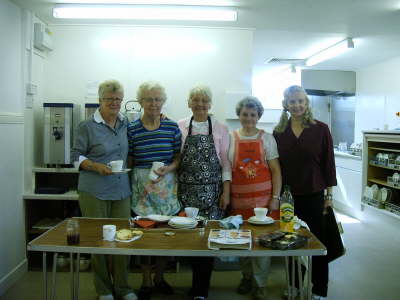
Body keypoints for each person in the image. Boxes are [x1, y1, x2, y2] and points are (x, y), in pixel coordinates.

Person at [71, 80, 136, 300]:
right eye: (110, 98)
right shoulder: (86, 126)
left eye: (118, 98)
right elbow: (75, 157)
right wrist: (95, 166)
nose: (115, 102)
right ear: (100, 100)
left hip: (121, 190)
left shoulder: (126, 123)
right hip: (94, 190)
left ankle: (123, 287)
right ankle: (103, 289)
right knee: (98, 238)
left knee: (123, 238)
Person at [273, 85, 337, 300]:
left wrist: (329, 197)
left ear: (306, 102)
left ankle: (319, 289)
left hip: (314, 194)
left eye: (300, 100)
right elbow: (276, 167)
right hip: (288, 197)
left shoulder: (321, 129)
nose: (297, 105)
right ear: (286, 104)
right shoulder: (279, 132)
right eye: (292, 101)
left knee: (318, 243)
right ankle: (295, 285)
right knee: (289, 240)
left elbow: (329, 165)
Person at [127, 81, 181, 300]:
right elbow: (129, 159)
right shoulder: (132, 129)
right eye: (149, 99)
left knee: (164, 234)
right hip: (142, 189)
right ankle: (146, 281)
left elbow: (178, 157)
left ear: (163, 102)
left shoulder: (172, 127)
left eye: (158, 99)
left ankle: (160, 278)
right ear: (140, 102)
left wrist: (169, 168)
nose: (154, 103)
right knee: (144, 234)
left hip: (166, 186)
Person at [177, 85, 231, 300]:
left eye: (204, 100)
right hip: (186, 194)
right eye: (196, 100)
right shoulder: (179, 126)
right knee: (189, 238)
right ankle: (196, 283)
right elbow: (177, 160)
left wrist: (226, 192)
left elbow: (226, 163)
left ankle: (200, 290)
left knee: (208, 240)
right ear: (189, 102)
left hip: (212, 194)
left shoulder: (221, 128)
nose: (200, 104)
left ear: (210, 104)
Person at [228, 96, 282, 300]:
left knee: (262, 242)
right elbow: (227, 169)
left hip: (263, 203)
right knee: (242, 241)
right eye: (245, 114)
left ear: (259, 116)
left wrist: (275, 197)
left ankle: (260, 284)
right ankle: (246, 277)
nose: (248, 118)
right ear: (239, 115)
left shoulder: (267, 138)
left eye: (253, 114)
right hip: (238, 201)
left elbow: (276, 170)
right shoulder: (231, 137)